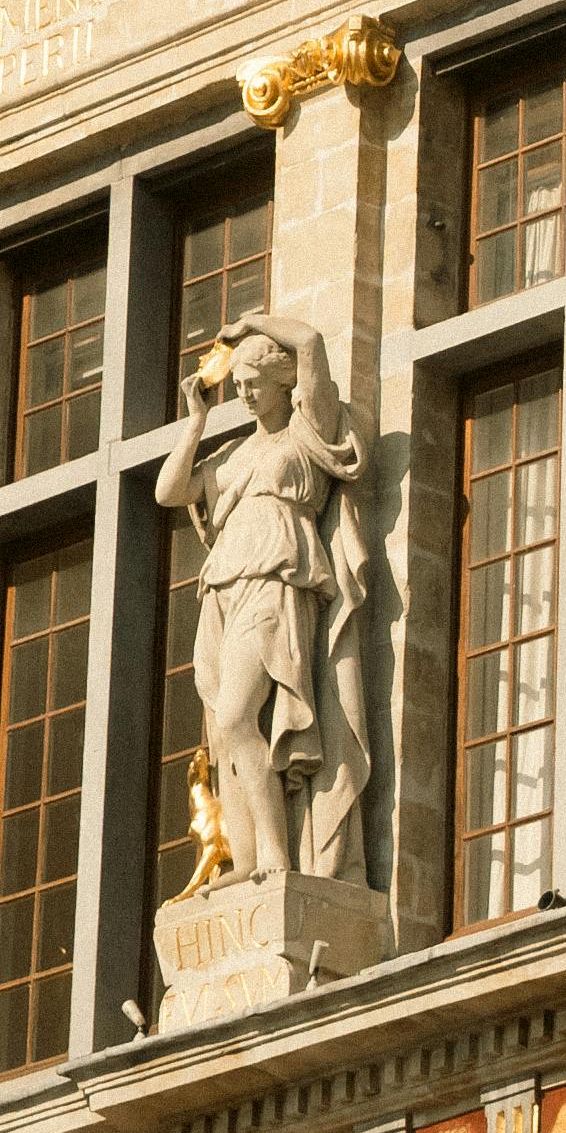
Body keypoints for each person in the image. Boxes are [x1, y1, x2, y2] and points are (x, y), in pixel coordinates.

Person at [151, 329, 371, 889]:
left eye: (255, 385)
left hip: (277, 579)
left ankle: (277, 852)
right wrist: (195, 420)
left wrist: (256, 318)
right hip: (221, 587)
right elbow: (169, 491)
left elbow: (315, 344)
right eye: (239, 386)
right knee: (225, 734)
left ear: (283, 383)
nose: (245, 395)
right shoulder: (231, 457)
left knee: (236, 714)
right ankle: (247, 856)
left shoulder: (305, 437)